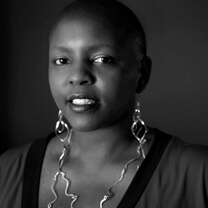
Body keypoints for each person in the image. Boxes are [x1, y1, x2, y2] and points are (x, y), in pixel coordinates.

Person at [0, 0, 208, 207]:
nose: (78, 76)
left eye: (102, 59)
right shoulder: (7, 170)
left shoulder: (197, 173)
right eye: (62, 61)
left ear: (142, 74)